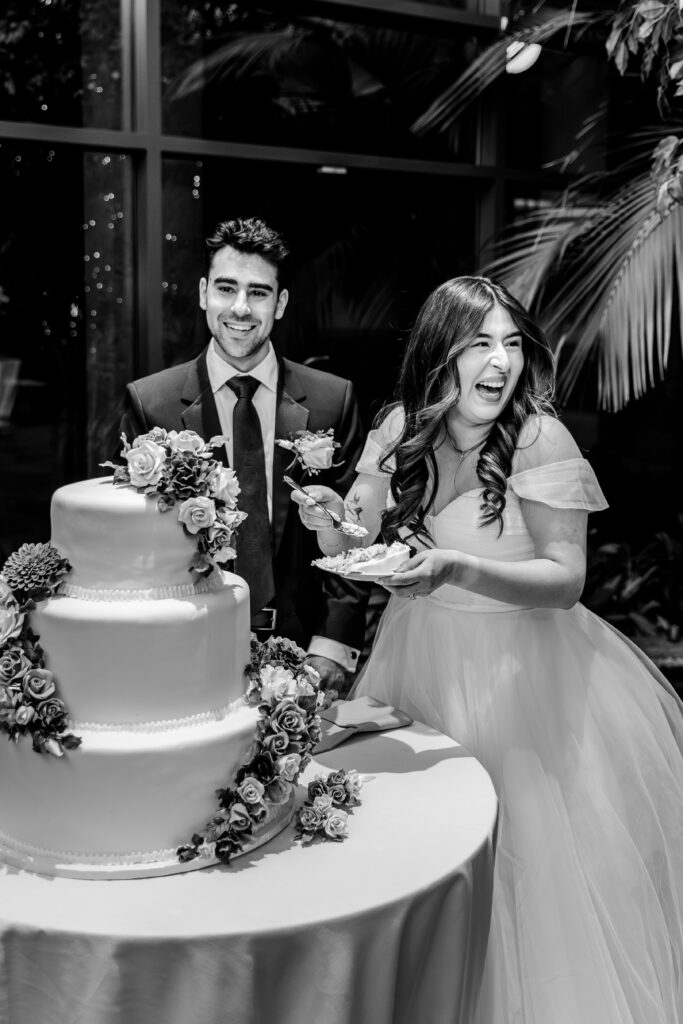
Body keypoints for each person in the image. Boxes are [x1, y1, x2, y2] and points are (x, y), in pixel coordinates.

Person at [292, 275, 683, 1023]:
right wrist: (326, 515)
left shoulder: (538, 437)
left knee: (526, 865)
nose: (499, 362)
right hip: (422, 662)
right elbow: (355, 539)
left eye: (510, 343)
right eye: (479, 344)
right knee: (429, 854)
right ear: (443, 354)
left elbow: (565, 580)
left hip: (529, 677)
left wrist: (456, 567)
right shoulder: (400, 426)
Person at [119, 217, 369, 693]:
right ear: (202, 292)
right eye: (226, 288)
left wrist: (334, 643)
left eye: (258, 292)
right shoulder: (150, 403)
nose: (240, 308)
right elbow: (133, 543)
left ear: (281, 303)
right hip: (186, 647)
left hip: (306, 651)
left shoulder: (333, 400)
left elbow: (358, 529)